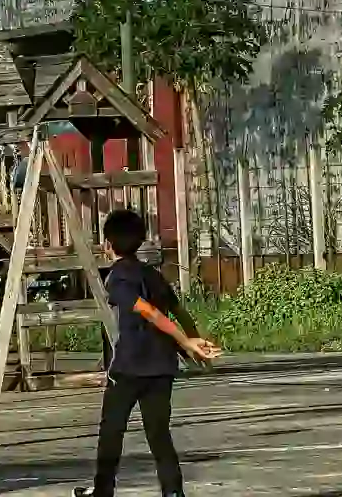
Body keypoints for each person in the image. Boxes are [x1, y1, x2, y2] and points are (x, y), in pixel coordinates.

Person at [76, 209, 223, 497]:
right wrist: (193, 341)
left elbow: (150, 312)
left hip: (130, 368)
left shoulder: (116, 279)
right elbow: (178, 310)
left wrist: (188, 342)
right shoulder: (152, 274)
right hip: (161, 368)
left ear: (108, 245)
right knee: (158, 434)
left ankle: (102, 491)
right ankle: (173, 491)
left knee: (111, 432)